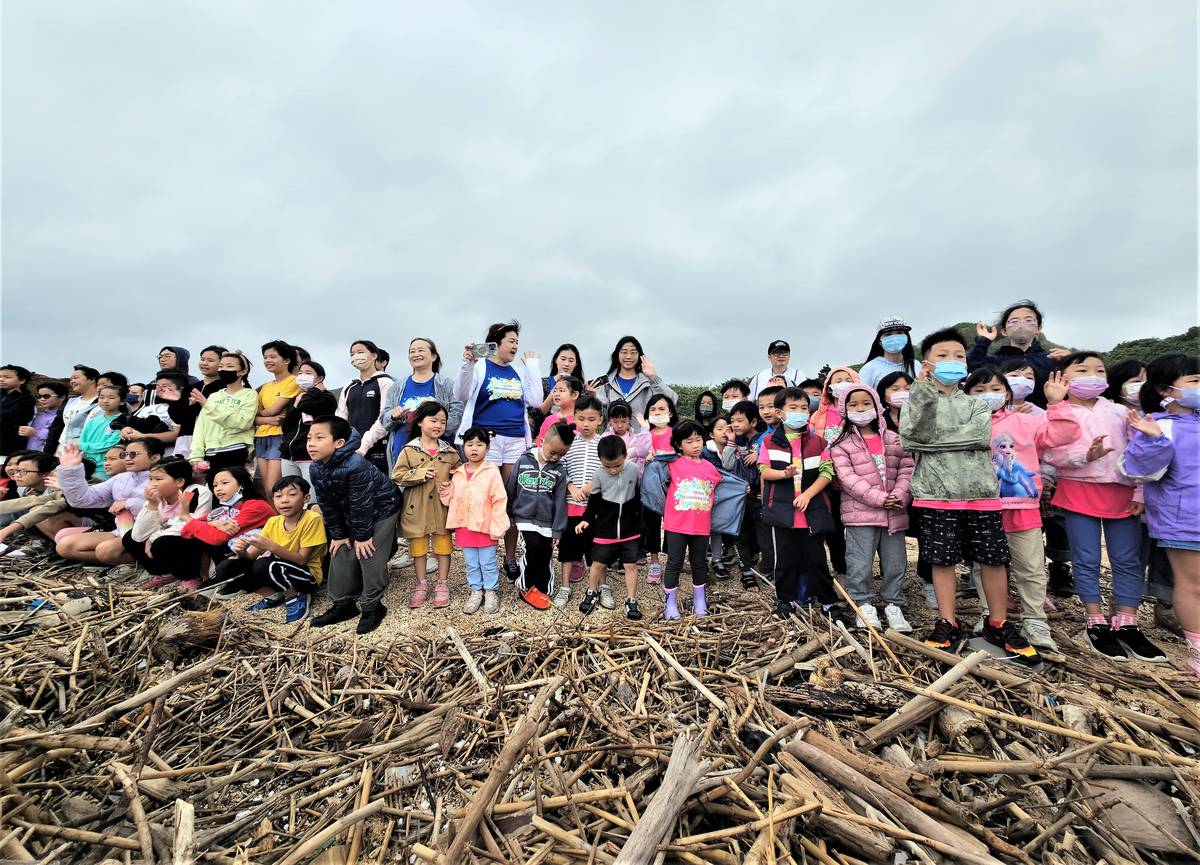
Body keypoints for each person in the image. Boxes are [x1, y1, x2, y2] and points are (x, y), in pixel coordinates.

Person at [900, 328, 1040, 668]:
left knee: (993, 559)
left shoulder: (978, 403)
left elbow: (978, 436)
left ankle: (998, 623)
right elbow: (911, 437)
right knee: (942, 560)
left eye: (959, 356)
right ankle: (948, 622)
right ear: (927, 363)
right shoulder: (915, 400)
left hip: (981, 494)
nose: (952, 361)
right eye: (943, 355)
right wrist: (924, 412)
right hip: (936, 495)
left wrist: (932, 440)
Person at [1042, 351, 1166, 662]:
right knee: (1086, 557)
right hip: (1077, 490)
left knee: (1127, 559)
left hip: (1121, 493)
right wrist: (1086, 456)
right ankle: (1094, 620)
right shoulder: (1058, 412)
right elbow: (1049, 455)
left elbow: (1141, 454)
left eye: (1099, 369)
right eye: (1082, 369)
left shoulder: (1121, 413)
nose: (1092, 375)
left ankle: (1127, 621)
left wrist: (1139, 491)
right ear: (1061, 378)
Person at [964, 367, 1078, 650]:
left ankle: (1035, 620)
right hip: (979, 506)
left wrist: (1056, 403)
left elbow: (1062, 435)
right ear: (965, 396)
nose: (987, 395)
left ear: (1007, 393)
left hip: (1022, 506)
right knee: (984, 566)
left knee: (1030, 566)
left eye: (994, 388)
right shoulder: (963, 425)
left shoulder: (1026, 422)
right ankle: (990, 612)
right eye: (978, 390)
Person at [1122, 354, 1200, 680]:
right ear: (1166, 389)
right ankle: (1197, 650)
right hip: (1183, 519)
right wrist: (1153, 440)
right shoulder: (1159, 425)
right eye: (1194, 381)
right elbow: (1139, 470)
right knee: (1193, 583)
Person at [456, 321, 543, 581]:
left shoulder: (517, 371)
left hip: (516, 441)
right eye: (511, 341)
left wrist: (533, 368)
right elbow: (461, 393)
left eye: (517, 341)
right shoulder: (481, 366)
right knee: (486, 500)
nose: (516, 346)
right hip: (487, 442)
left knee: (511, 502)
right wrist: (467, 364)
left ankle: (510, 557)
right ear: (496, 342)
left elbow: (536, 401)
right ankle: (485, 558)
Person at [829, 383, 915, 633]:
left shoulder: (893, 438)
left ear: (877, 405)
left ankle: (893, 604)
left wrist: (900, 494)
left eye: (866, 403)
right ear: (844, 410)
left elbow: (907, 468)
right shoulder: (840, 444)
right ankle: (863, 603)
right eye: (853, 404)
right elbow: (847, 479)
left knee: (896, 561)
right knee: (859, 562)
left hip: (895, 513)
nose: (861, 409)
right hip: (861, 515)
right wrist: (879, 498)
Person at [308, 416, 402, 635]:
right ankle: (343, 604)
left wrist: (362, 537)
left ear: (339, 443)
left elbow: (363, 505)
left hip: (383, 507)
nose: (311, 443)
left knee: (368, 552)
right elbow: (326, 505)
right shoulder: (316, 468)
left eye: (319, 438)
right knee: (339, 550)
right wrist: (339, 535)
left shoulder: (355, 464)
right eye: (310, 437)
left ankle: (372, 606)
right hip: (352, 511)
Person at [757, 387, 844, 620]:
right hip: (782, 512)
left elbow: (827, 473)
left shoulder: (819, 442)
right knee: (784, 560)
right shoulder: (768, 442)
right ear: (780, 412)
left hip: (812, 512)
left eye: (804, 408)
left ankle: (828, 602)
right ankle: (784, 601)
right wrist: (784, 475)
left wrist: (808, 495)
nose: (800, 413)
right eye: (793, 408)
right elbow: (764, 470)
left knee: (816, 559)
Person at [213, 475, 326, 625]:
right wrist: (242, 552)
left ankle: (295, 595)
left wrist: (270, 546)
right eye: (278, 496)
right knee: (227, 567)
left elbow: (302, 559)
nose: (284, 500)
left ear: (306, 499)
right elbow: (251, 555)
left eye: (292, 495)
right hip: (277, 569)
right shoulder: (273, 521)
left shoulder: (312, 519)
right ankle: (273, 595)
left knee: (266, 564)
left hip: (306, 574)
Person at [392, 402, 461, 610]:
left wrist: (453, 483)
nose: (438, 425)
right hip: (416, 508)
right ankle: (421, 583)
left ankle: (443, 583)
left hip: (441, 507)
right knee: (418, 548)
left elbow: (459, 474)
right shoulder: (409, 450)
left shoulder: (450, 452)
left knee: (443, 546)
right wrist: (419, 474)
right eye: (433, 420)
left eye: (443, 422)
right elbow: (397, 475)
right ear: (420, 422)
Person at [54, 438, 164, 565]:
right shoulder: (120, 478)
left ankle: (145, 564)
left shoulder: (165, 478)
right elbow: (82, 499)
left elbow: (165, 509)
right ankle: (126, 561)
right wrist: (71, 470)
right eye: (124, 455)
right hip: (122, 532)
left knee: (104, 550)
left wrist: (129, 503)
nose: (127, 458)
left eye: (133, 454)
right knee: (64, 546)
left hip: (152, 533)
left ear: (155, 458)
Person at [441, 427, 510, 615]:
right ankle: (475, 590)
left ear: (487, 448)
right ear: (463, 447)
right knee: (471, 562)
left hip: (486, 526)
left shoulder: (492, 471)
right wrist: (446, 490)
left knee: (487, 561)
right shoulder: (458, 472)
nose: (474, 448)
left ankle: (490, 591)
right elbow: (449, 501)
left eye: (479, 444)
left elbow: (499, 500)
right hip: (465, 526)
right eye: (469, 444)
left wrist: (497, 526)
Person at [576, 435, 644, 620]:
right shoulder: (598, 475)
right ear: (600, 461)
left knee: (631, 565)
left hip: (630, 529)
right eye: (608, 466)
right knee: (597, 563)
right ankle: (591, 592)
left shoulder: (633, 469)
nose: (613, 470)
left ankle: (631, 600)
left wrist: (641, 523)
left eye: (617, 465)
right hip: (605, 529)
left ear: (625, 456)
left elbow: (638, 496)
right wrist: (586, 519)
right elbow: (594, 501)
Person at [506, 421, 572, 609]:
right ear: (541, 441)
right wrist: (508, 512)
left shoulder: (559, 469)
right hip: (524, 518)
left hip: (547, 521)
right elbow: (512, 486)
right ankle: (525, 586)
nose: (556, 457)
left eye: (562, 454)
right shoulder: (524, 460)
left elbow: (560, 501)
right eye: (553, 452)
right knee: (532, 548)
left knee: (545, 552)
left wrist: (558, 530)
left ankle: (543, 588)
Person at [121, 458, 213, 584]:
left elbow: (187, 526)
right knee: (129, 538)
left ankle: (189, 577)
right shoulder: (157, 499)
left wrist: (152, 538)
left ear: (179, 481)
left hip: (193, 543)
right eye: (150, 479)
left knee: (162, 542)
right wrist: (152, 504)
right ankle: (164, 574)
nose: (152, 484)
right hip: (163, 539)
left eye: (158, 479)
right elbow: (138, 536)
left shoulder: (192, 493)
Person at [376, 337, 462, 468]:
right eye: (412, 351)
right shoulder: (397, 387)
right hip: (402, 450)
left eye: (421, 350)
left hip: (439, 454)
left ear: (433, 356)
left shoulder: (447, 384)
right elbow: (384, 419)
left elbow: (457, 415)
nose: (416, 354)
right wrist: (393, 416)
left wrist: (431, 428)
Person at [968, 300, 1069, 408]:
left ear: (1038, 329)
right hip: (1003, 420)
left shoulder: (1053, 359)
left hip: (1044, 419)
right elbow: (972, 368)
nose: (1021, 325)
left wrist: (1070, 362)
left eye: (1028, 320)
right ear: (1004, 331)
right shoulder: (994, 360)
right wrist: (983, 342)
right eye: (1014, 321)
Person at [555, 396, 604, 607]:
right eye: (581, 418)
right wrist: (571, 486)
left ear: (600, 419)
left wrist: (592, 485)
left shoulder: (603, 443)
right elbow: (559, 467)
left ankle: (601, 586)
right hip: (571, 505)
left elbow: (608, 469)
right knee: (568, 548)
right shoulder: (569, 442)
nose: (586, 423)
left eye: (591, 419)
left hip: (595, 508)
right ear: (574, 417)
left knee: (596, 550)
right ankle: (564, 587)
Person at [189, 352, 257, 477]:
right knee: (215, 490)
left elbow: (243, 423)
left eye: (229, 366)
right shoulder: (214, 396)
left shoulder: (250, 394)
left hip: (236, 449)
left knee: (235, 489)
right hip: (211, 452)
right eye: (221, 366)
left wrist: (206, 404)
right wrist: (196, 455)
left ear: (242, 371)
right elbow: (201, 427)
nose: (223, 370)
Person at [590, 336, 677, 432]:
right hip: (613, 442)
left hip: (642, 441)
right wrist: (593, 398)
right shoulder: (606, 384)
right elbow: (600, 418)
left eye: (633, 352)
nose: (628, 356)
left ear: (640, 355)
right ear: (617, 354)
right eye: (624, 352)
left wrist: (653, 377)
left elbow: (672, 400)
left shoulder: (648, 382)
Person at [335, 340, 395, 474]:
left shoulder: (385, 382)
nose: (356, 356)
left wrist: (364, 445)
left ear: (374, 356)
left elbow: (385, 419)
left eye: (360, 352)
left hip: (378, 450)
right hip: (350, 451)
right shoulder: (349, 387)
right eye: (352, 354)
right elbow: (340, 420)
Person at [0, 453, 76, 554]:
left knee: (36, 509)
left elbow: (50, 507)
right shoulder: (24, 488)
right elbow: (24, 502)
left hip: (86, 531)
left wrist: (6, 531)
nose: (16, 475)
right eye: (18, 470)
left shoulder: (63, 489)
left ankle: (62, 548)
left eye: (24, 471)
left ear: (45, 474)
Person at [254, 340, 302, 496]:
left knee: (273, 487)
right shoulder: (265, 387)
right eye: (265, 357)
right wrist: (266, 419)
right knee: (264, 488)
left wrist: (264, 415)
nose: (267, 360)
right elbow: (254, 416)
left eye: (273, 356)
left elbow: (273, 410)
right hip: (261, 436)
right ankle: (275, 520)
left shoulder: (294, 381)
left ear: (287, 360)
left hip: (279, 436)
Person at [281, 360, 337, 493]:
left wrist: (315, 391)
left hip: (310, 456)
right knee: (291, 495)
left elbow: (305, 406)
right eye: (300, 373)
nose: (302, 376)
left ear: (319, 378)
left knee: (312, 497)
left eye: (308, 373)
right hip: (289, 456)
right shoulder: (298, 397)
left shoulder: (326, 397)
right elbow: (287, 425)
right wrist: (295, 406)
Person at [641, 393, 678, 583]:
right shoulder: (645, 434)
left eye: (662, 409)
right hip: (650, 486)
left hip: (673, 484)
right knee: (651, 522)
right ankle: (654, 561)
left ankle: (673, 559)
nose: (657, 412)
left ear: (670, 412)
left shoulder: (677, 433)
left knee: (672, 523)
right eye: (653, 409)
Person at [727, 399, 765, 588]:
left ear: (753, 422)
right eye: (732, 420)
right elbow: (727, 464)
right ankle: (746, 572)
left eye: (739, 420)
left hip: (759, 496)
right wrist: (730, 441)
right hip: (740, 497)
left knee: (761, 535)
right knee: (740, 534)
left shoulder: (764, 440)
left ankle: (766, 568)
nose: (735, 424)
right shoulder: (736, 441)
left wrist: (761, 454)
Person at [43, 365, 99, 454]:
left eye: (76, 378)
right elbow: (57, 427)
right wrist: (48, 450)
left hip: (85, 450)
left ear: (92, 379)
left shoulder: (101, 402)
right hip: (62, 449)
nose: (72, 381)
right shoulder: (70, 402)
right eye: (70, 379)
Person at [78, 384, 126, 479]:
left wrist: (86, 446)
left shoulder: (123, 420)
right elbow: (82, 440)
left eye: (111, 397)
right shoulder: (93, 420)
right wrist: (83, 446)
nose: (105, 401)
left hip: (105, 467)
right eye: (101, 397)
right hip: (86, 465)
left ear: (122, 401)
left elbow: (112, 443)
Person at [857, 318, 917, 390]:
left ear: (907, 337)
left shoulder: (916, 365)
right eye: (888, 334)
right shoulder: (869, 368)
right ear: (879, 341)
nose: (894, 338)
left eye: (899, 333)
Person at [600, 400, 651, 477]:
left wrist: (644, 429)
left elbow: (643, 453)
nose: (620, 425)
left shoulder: (637, 437)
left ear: (629, 419)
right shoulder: (604, 438)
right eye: (615, 421)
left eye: (624, 421)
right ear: (610, 420)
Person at [539, 343, 585, 417]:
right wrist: (554, 392)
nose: (566, 364)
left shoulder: (580, 386)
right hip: (547, 426)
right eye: (563, 359)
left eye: (571, 360)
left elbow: (584, 413)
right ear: (556, 359)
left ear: (576, 364)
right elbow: (539, 413)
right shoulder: (543, 383)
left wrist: (592, 395)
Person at [20, 381, 67, 453]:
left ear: (62, 397)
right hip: (30, 453)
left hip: (46, 456)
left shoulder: (65, 415)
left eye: (46, 396)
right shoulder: (40, 415)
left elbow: (58, 435)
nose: (41, 399)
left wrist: (36, 433)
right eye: (39, 396)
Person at [0, 365, 35, 457]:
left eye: (7, 377)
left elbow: (12, 416)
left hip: (10, 445)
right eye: (0, 377)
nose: (1, 379)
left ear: (22, 380)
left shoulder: (27, 399)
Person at [537, 376, 582, 444]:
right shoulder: (549, 420)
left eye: (561, 390)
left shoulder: (582, 420)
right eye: (554, 391)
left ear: (575, 395)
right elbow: (540, 444)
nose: (556, 394)